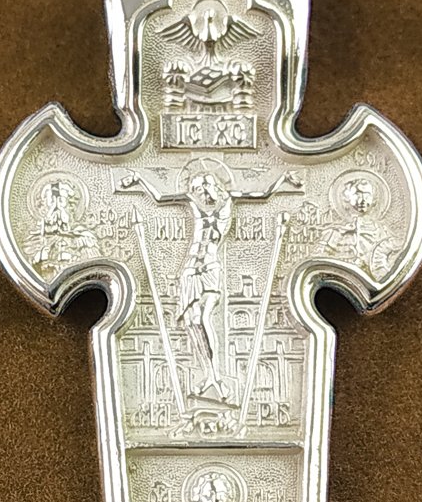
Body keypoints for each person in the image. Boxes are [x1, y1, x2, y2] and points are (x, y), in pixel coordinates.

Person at [120, 165, 302, 400]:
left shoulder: (229, 201)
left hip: (209, 268)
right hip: (190, 271)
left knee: (205, 318)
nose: (201, 193)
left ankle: (216, 377)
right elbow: (159, 197)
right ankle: (209, 376)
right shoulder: (191, 202)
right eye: (197, 189)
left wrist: (283, 177)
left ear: (214, 185)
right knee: (192, 322)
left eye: (204, 187)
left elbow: (263, 194)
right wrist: (139, 179)